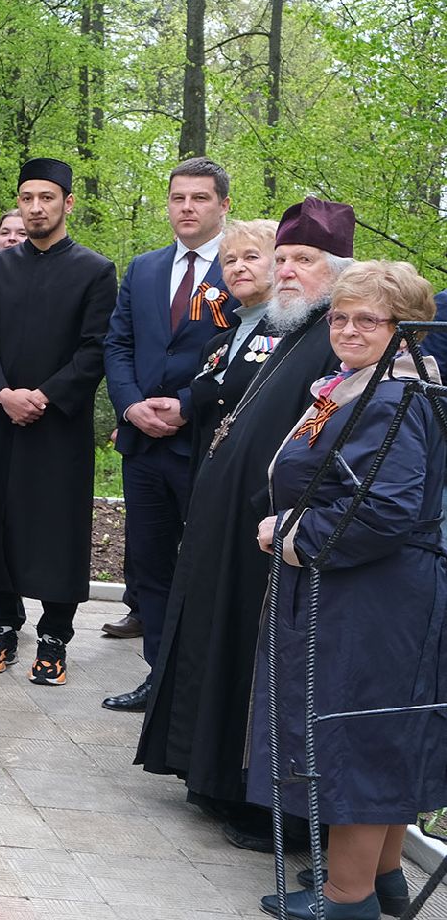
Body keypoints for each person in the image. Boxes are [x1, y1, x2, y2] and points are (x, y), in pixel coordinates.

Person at [136, 197, 353, 851]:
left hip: (278, 532)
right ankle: (214, 776)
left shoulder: (335, 338)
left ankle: (264, 802)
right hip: (235, 525)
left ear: (337, 271)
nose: (286, 270)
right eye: (281, 258)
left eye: (303, 259)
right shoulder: (287, 331)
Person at [251, 260, 444, 920]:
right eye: (340, 317)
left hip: (372, 595)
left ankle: (347, 898)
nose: (349, 329)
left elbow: (385, 509)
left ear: (406, 329)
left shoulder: (393, 397)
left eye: (369, 320)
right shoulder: (360, 385)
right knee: (378, 731)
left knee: (357, 735)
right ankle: (382, 877)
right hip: (369, 590)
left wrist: (291, 531)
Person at [0, 157, 116, 686]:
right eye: (27, 198)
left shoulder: (95, 270)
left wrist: (46, 396)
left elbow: (95, 349)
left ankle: (54, 638)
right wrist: (4, 394)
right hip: (1, 419)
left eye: (46, 198)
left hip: (59, 427)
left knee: (56, 527)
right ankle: (3, 626)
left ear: (67, 203)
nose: (35, 208)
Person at [99, 157, 232, 710]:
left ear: (223, 205)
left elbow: (249, 352)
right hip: (143, 444)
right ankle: (158, 679)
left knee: (202, 566)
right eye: (179, 198)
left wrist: (186, 406)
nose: (187, 208)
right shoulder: (145, 269)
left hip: (205, 442)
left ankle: (199, 686)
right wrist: (130, 405)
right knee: (151, 566)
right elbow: (118, 343)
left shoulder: (241, 268)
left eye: (200, 198)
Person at [182, 219, 279, 478]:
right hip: (210, 479)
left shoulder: (294, 338)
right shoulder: (217, 345)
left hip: (260, 481)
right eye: (229, 261)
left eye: (251, 257)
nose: (238, 267)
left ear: (279, 264)